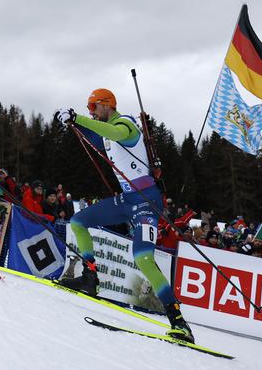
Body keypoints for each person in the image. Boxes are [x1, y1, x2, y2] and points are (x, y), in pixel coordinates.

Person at [54, 88, 194, 343]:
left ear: (107, 105)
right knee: (78, 221)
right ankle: (90, 277)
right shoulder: (106, 131)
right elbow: (98, 139)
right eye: (88, 108)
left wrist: (77, 119)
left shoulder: (125, 124)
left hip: (146, 201)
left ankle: (179, 322)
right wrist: (74, 125)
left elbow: (114, 133)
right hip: (127, 199)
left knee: (142, 258)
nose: (91, 112)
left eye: (94, 107)